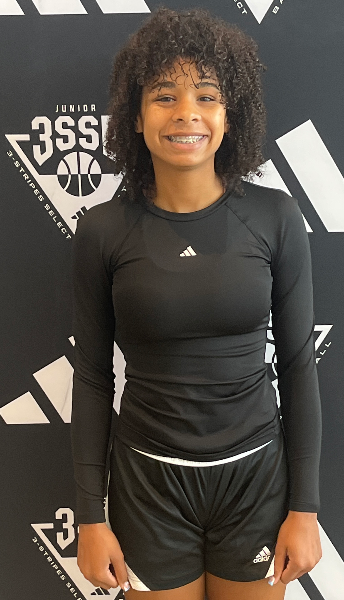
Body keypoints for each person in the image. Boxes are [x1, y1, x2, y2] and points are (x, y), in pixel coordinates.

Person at [70, 7, 322, 600]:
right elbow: (92, 377)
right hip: (147, 485)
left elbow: (298, 365)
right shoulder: (102, 230)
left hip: (257, 480)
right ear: (136, 117)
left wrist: (305, 508)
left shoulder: (276, 217)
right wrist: (89, 517)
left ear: (229, 116)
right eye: (165, 96)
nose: (187, 112)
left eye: (207, 96)